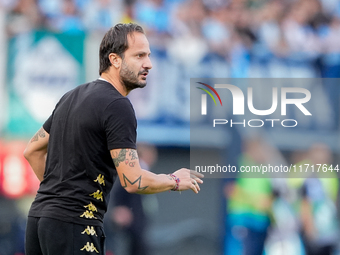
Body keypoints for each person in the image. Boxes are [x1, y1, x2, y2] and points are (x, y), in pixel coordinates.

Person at [23, 23, 203, 255]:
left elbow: (32, 150)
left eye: (148, 55)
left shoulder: (70, 96)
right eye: (139, 55)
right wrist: (174, 180)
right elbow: (132, 180)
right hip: (75, 224)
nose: (148, 63)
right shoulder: (118, 105)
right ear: (115, 60)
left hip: (38, 220)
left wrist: (56, 197)